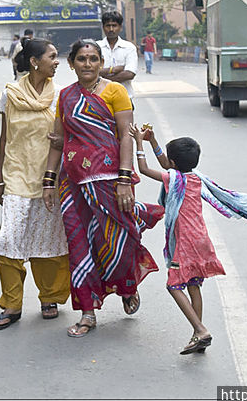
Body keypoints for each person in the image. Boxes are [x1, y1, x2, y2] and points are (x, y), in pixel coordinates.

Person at [42, 39, 164, 338]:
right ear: (72, 63)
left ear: (100, 63)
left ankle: (127, 285)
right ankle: (87, 312)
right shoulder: (65, 96)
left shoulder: (115, 91)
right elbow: (59, 141)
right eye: (81, 59)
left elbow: (125, 136)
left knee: (120, 239)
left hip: (111, 182)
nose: (87, 64)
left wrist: (124, 180)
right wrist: (48, 181)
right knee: (79, 244)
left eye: (93, 59)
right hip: (72, 185)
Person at [130, 128, 247, 354]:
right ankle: (196, 337)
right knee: (193, 285)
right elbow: (166, 165)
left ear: (173, 162)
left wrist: (138, 143)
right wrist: (153, 142)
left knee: (173, 286)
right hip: (200, 237)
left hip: (185, 242)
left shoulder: (173, 179)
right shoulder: (195, 177)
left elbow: (143, 169)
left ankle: (200, 330)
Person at [0, 38, 70, 330]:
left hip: (50, 178)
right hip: (16, 175)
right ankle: (11, 304)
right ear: (35, 61)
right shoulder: (10, 94)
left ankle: (49, 296)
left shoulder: (62, 95)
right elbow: (4, 137)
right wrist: (0, 178)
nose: (57, 61)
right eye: (52, 56)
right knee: (9, 239)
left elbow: (68, 137)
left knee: (48, 238)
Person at [97, 11, 138, 98]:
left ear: (120, 27)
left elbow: (130, 74)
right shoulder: (96, 47)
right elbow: (93, 72)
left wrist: (102, 78)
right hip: (100, 99)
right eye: (108, 26)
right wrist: (113, 69)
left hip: (124, 98)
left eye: (114, 25)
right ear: (103, 27)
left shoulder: (129, 48)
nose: (111, 29)